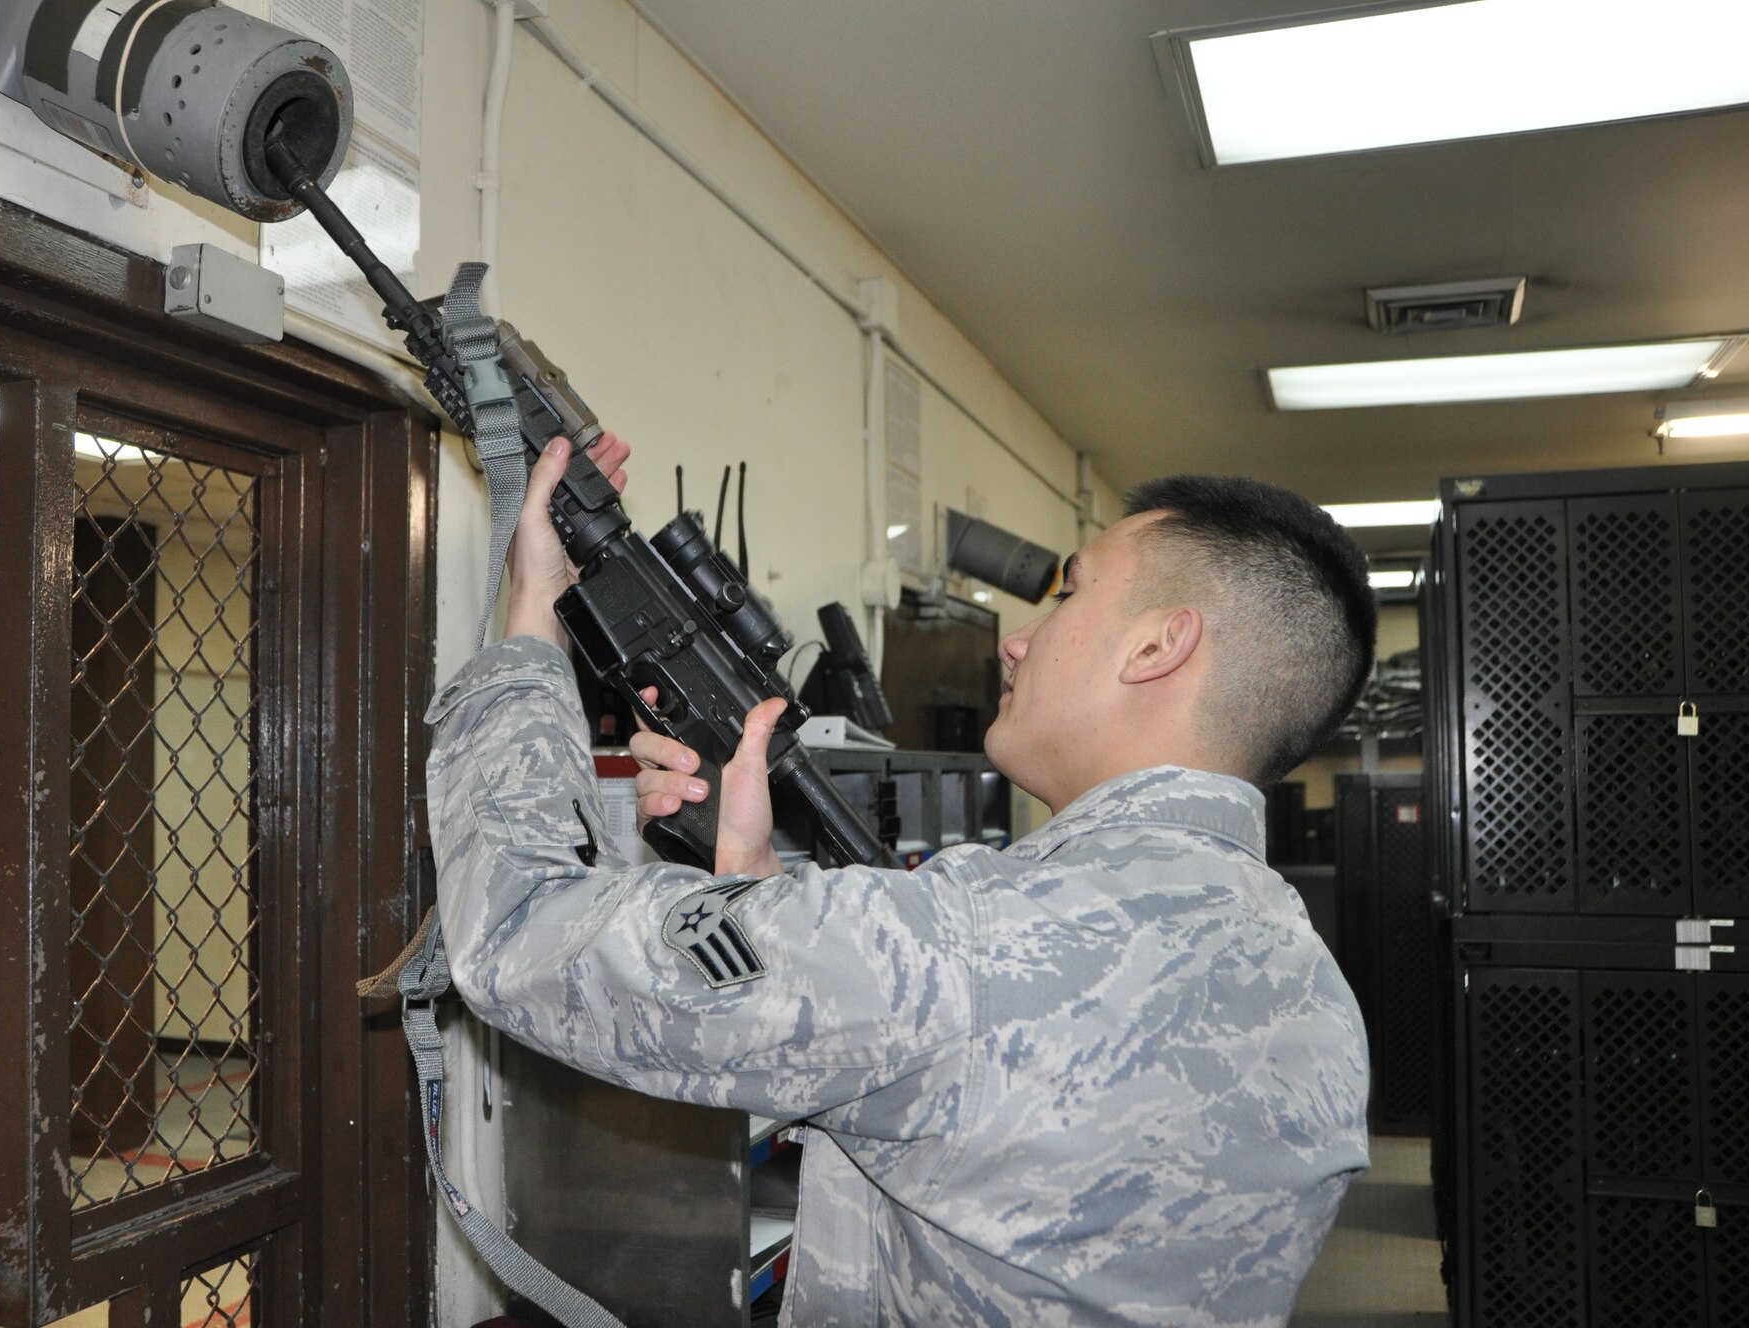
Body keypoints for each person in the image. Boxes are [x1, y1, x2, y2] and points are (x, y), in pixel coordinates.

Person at [425, 434, 1375, 1327]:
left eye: (1068, 596)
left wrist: (532, 616)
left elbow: (515, 927)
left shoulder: (971, 943)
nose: (1017, 640)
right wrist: (756, 895)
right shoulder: (1313, 990)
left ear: (1158, 646)